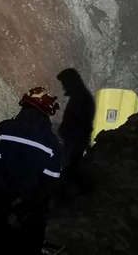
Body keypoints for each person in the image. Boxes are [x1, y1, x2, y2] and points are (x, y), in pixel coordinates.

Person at [0, 87, 62, 255]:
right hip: (30, 220)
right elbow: (49, 186)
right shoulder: (52, 143)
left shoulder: (4, 129)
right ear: (47, 112)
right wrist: (22, 209)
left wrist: (5, 204)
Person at [56, 67, 95, 195]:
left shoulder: (80, 99)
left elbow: (78, 124)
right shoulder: (81, 97)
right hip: (75, 142)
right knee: (72, 170)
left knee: (71, 169)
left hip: (74, 143)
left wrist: (64, 131)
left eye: (64, 83)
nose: (63, 87)